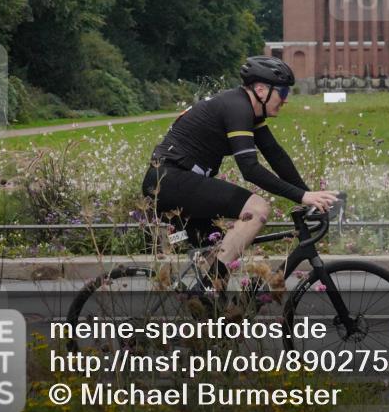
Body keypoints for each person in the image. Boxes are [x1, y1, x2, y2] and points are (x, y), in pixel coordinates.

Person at [141, 56, 338, 290]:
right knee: (257, 209)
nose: (285, 100)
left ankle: (206, 305)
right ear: (261, 90)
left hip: (177, 181)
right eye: (283, 93)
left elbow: (275, 155)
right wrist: (302, 197)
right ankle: (210, 288)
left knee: (218, 251)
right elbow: (250, 169)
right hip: (170, 180)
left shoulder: (246, 110)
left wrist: (309, 194)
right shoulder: (237, 108)